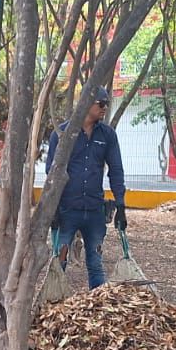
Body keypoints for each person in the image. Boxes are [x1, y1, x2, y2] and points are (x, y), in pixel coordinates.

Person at [45, 86, 126, 289]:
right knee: (59, 263)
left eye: (107, 104)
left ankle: (97, 310)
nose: (104, 108)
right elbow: (51, 172)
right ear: (86, 103)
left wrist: (121, 206)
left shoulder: (107, 135)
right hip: (66, 210)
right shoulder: (62, 133)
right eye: (101, 104)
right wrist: (53, 209)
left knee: (96, 264)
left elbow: (116, 170)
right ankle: (53, 305)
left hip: (94, 211)